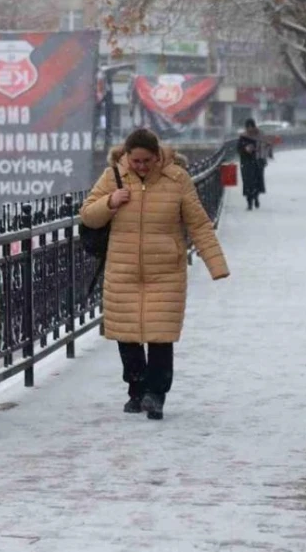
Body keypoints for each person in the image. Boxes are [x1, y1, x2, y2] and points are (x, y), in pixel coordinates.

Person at [80, 128, 230, 420]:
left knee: (161, 335)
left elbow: (198, 224)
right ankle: (136, 390)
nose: (142, 167)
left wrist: (216, 264)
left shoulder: (177, 179)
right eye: (136, 161)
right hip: (123, 268)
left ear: (157, 156)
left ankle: (156, 394)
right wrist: (111, 202)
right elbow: (87, 214)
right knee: (127, 333)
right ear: (127, 157)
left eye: (147, 161)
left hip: (166, 269)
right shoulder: (113, 176)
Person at [237, 118, 268, 210]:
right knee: (247, 183)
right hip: (246, 162)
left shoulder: (260, 135)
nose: (250, 129)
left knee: (257, 182)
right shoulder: (243, 137)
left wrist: (262, 156)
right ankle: (249, 202)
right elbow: (239, 148)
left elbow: (264, 147)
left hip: (257, 161)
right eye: (248, 127)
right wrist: (245, 149)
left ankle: (256, 197)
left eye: (251, 126)